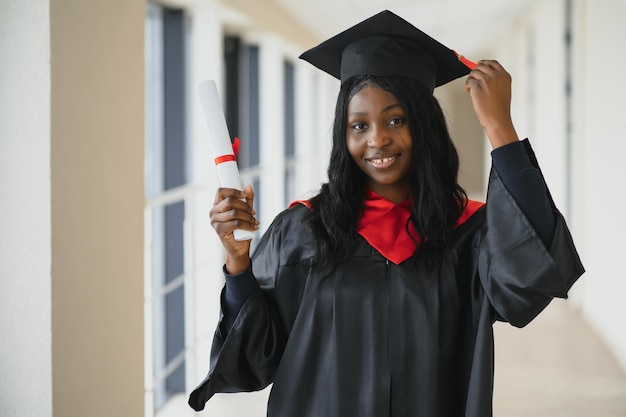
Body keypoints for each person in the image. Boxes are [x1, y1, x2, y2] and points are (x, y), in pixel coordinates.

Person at [188, 10, 584, 417]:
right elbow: (256, 357)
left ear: (424, 126)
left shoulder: (469, 234)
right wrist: (237, 263)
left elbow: (532, 278)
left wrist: (500, 126)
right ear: (344, 135)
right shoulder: (303, 231)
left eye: (396, 119)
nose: (377, 139)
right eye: (359, 125)